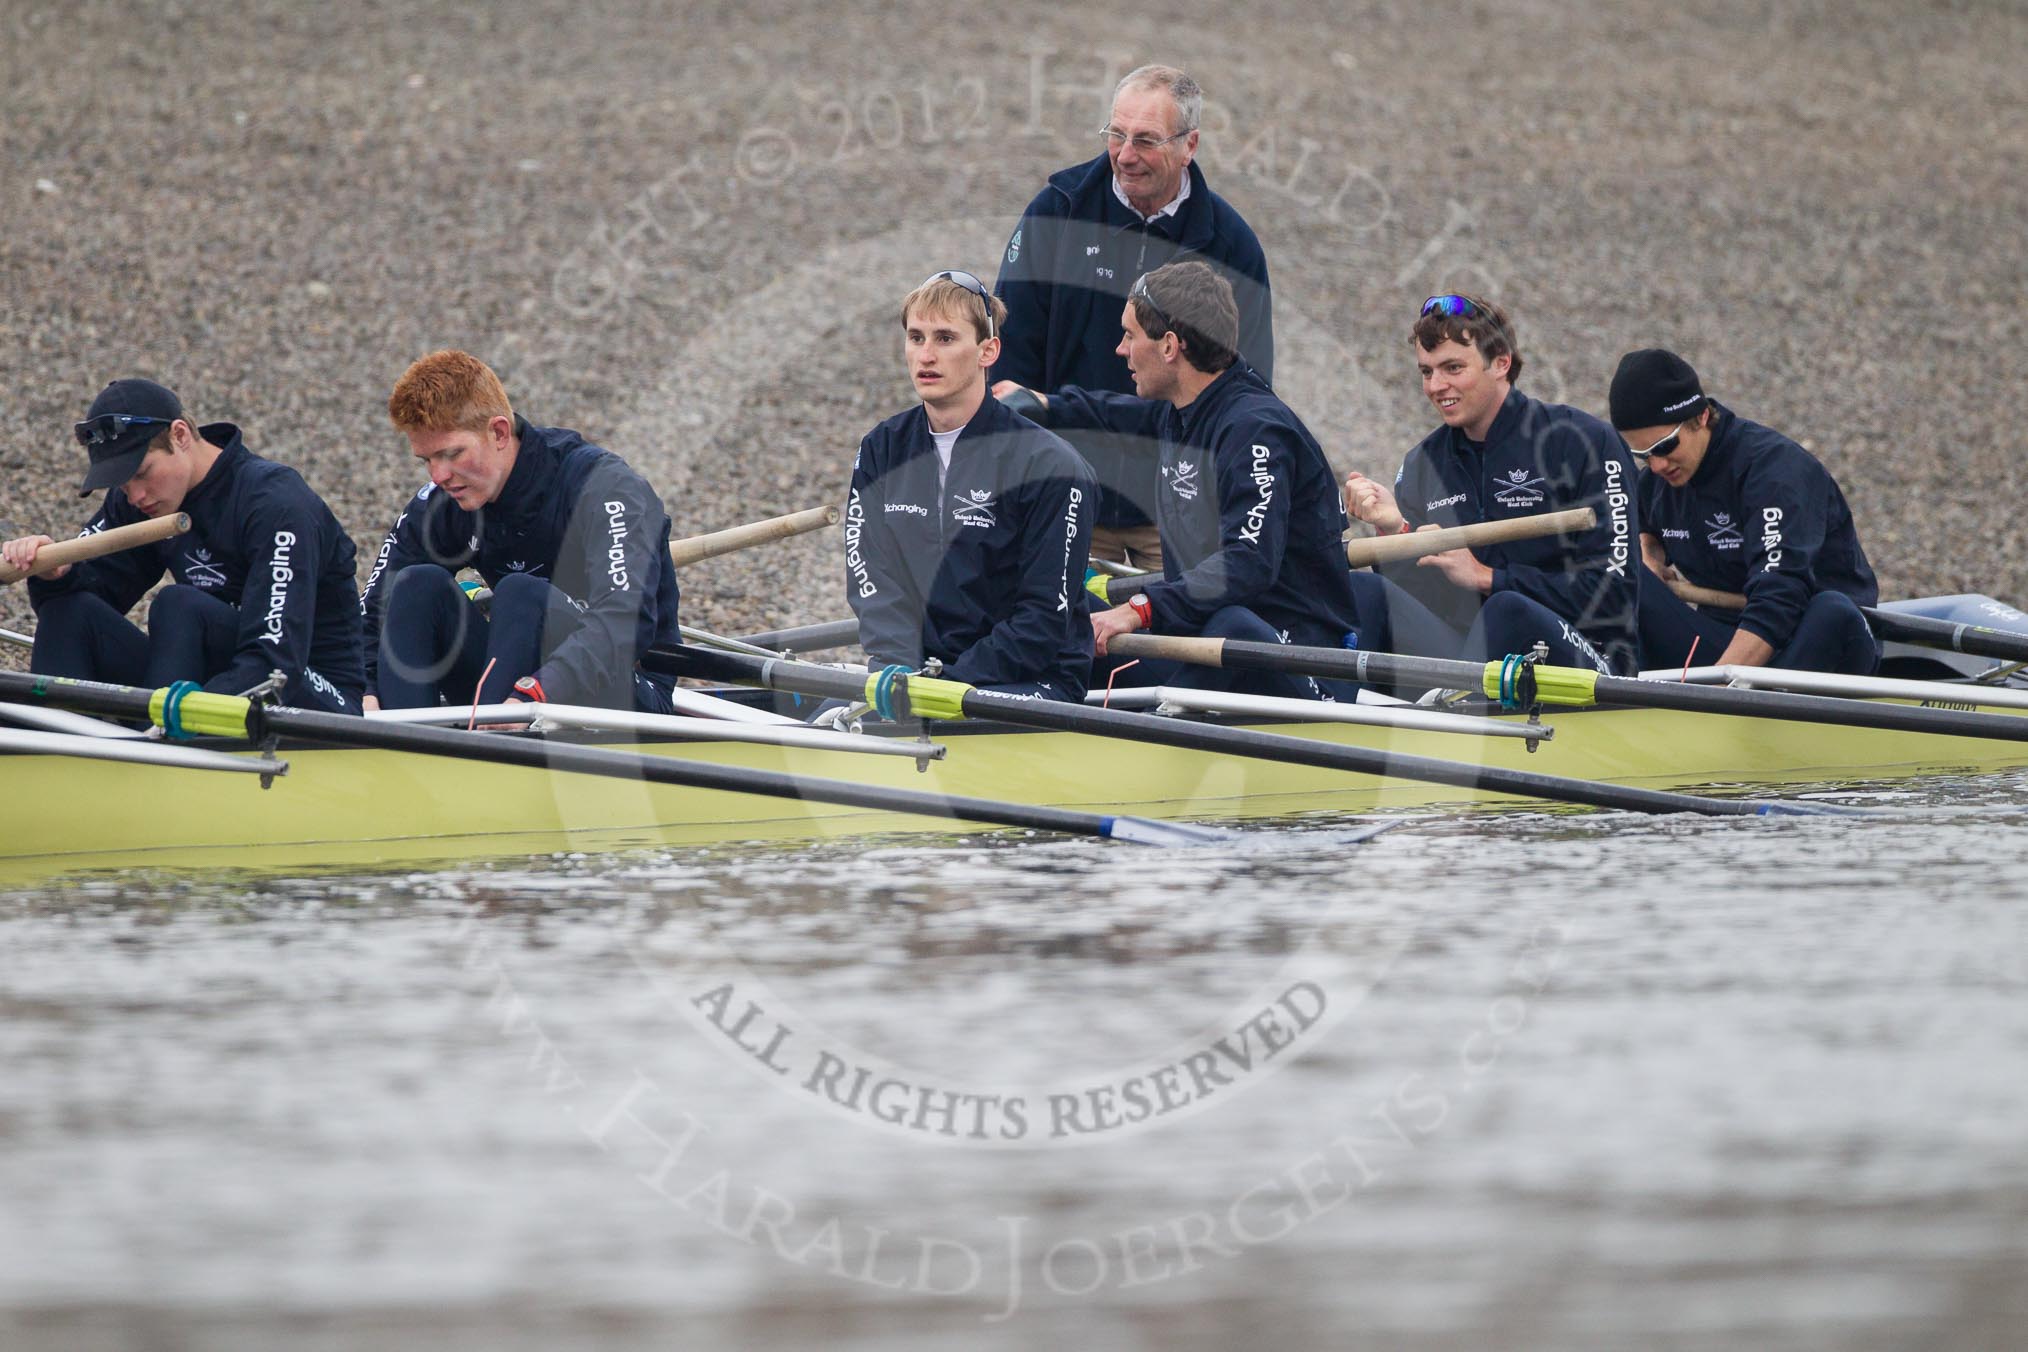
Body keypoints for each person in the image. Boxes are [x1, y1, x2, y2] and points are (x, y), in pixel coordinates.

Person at [994, 260, 1363, 702]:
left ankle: (1121, 737)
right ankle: (1011, 703)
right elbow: (1112, 414)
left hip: (1294, 657)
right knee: (1067, 606)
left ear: (1169, 345)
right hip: (1205, 640)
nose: (1120, 349)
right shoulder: (1186, 409)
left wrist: (1141, 608)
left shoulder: (1256, 431)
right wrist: (1045, 405)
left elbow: (1247, 563)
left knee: (1232, 626)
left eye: (1130, 335)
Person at [992, 63, 1273, 571]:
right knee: (1068, 643)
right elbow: (1009, 351)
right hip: (1069, 492)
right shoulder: (1058, 213)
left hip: (1177, 510)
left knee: (1172, 645)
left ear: (1190, 145)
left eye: (1145, 140)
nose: (1125, 155)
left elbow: (1248, 392)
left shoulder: (1232, 247)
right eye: (1116, 135)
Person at [1, 378, 363, 712]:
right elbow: (87, 605)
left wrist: (179, 715)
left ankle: (151, 749)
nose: (136, 495)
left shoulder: (277, 504)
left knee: (179, 606)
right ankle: (49, 743)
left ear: (180, 435)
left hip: (313, 690)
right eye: (123, 485)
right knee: (69, 610)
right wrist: (55, 574)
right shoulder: (137, 500)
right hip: (208, 679)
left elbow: (273, 664)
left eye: (142, 473)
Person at [359, 350, 682, 713]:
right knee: (415, 586)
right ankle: (402, 744)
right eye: (427, 460)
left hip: (624, 689)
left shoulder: (605, 488)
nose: (438, 476)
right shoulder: (445, 502)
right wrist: (364, 684)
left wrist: (540, 687)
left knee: (521, 594)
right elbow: (372, 613)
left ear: (498, 432)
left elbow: (625, 621)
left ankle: (493, 733)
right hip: (515, 686)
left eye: (451, 454)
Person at [1343, 295, 1640, 675]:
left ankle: (1453, 720)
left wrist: (1488, 578)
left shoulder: (1584, 443)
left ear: (1501, 362)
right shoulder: (1423, 464)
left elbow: (1615, 597)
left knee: (1507, 609)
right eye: (1426, 371)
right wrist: (1395, 532)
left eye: (1452, 368)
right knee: (1363, 590)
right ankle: (1328, 719)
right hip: (1472, 667)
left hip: (1588, 662)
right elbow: (1433, 603)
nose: (1436, 385)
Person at [844, 271, 1097, 701]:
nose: (926, 355)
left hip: (1030, 679)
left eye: (945, 339)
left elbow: (1041, 619)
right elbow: (870, 578)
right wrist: (898, 666)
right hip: (917, 675)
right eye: (916, 337)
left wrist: (949, 685)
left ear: (988, 351)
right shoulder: (881, 449)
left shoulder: (1054, 468)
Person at [1610, 347, 1879, 673]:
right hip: (1729, 640)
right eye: (1642, 454)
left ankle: (1720, 705)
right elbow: (1643, 525)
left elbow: (1778, 597)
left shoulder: (1776, 473)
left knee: (1833, 611)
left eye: (1665, 447)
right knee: (1622, 573)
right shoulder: (1656, 482)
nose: (1657, 465)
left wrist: (1718, 692)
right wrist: (1649, 555)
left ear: (1701, 416)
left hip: (1806, 639)